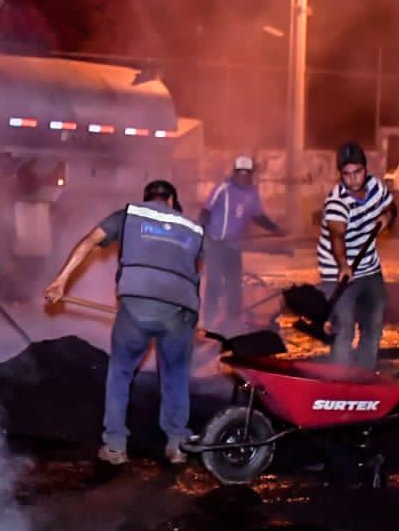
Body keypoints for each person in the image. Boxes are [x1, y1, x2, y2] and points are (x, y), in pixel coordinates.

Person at [44, 180, 202, 466]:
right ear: (171, 201)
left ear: (147, 199)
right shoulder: (191, 228)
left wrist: (61, 280)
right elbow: (192, 271)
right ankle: (178, 444)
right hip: (180, 311)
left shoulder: (130, 215)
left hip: (135, 307)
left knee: (120, 373)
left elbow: (91, 239)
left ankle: (116, 446)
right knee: (176, 375)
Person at [316, 142, 394, 370]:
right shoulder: (336, 203)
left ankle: (362, 377)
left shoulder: (376, 187)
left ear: (365, 170)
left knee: (373, 325)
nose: (353, 179)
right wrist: (344, 266)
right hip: (338, 273)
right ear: (341, 174)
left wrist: (387, 218)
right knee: (344, 328)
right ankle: (338, 381)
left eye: (357, 172)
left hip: (370, 268)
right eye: (347, 174)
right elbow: (337, 238)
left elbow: (392, 207)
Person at [199, 155, 281, 335]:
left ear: (250, 175)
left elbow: (258, 216)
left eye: (246, 174)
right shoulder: (223, 189)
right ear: (235, 173)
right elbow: (206, 211)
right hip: (215, 244)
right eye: (240, 173)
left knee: (234, 284)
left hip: (233, 246)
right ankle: (209, 321)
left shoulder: (252, 194)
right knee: (214, 283)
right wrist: (202, 234)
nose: (243, 177)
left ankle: (232, 321)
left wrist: (275, 228)